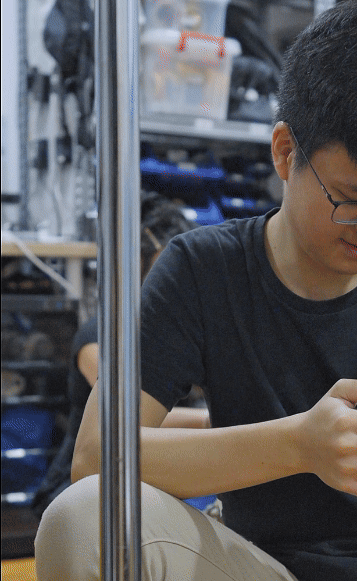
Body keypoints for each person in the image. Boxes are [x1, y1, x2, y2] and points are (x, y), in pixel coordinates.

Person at [35, 0, 357, 581]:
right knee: (83, 518)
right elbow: (94, 460)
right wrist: (299, 445)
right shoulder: (203, 268)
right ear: (285, 152)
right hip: (260, 567)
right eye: (355, 201)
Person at [31, 191, 207, 519]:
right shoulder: (96, 339)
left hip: (149, 477)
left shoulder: (184, 332)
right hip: (79, 487)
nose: (176, 281)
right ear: (136, 271)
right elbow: (129, 410)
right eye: (164, 269)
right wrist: (213, 421)